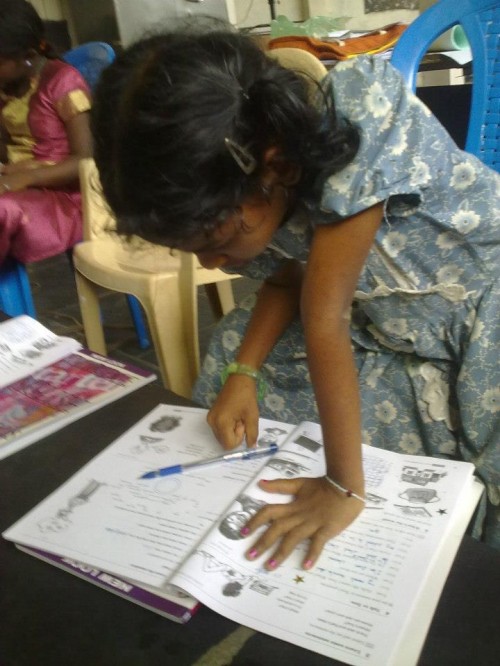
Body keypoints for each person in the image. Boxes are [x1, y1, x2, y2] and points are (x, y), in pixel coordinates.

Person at [90, 25, 500, 569]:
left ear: (277, 166)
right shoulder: (259, 178)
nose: (211, 264)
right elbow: (289, 277)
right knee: (240, 343)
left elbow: (324, 316)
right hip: (385, 318)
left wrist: (342, 488)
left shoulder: (359, 119)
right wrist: (244, 375)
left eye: (216, 242)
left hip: (482, 313)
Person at [0, 0, 93, 266]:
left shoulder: (63, 82)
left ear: (28, 55)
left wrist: (25, 178)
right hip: (21, 183)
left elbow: (86, 161)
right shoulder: (8, 85)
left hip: (66, 199)